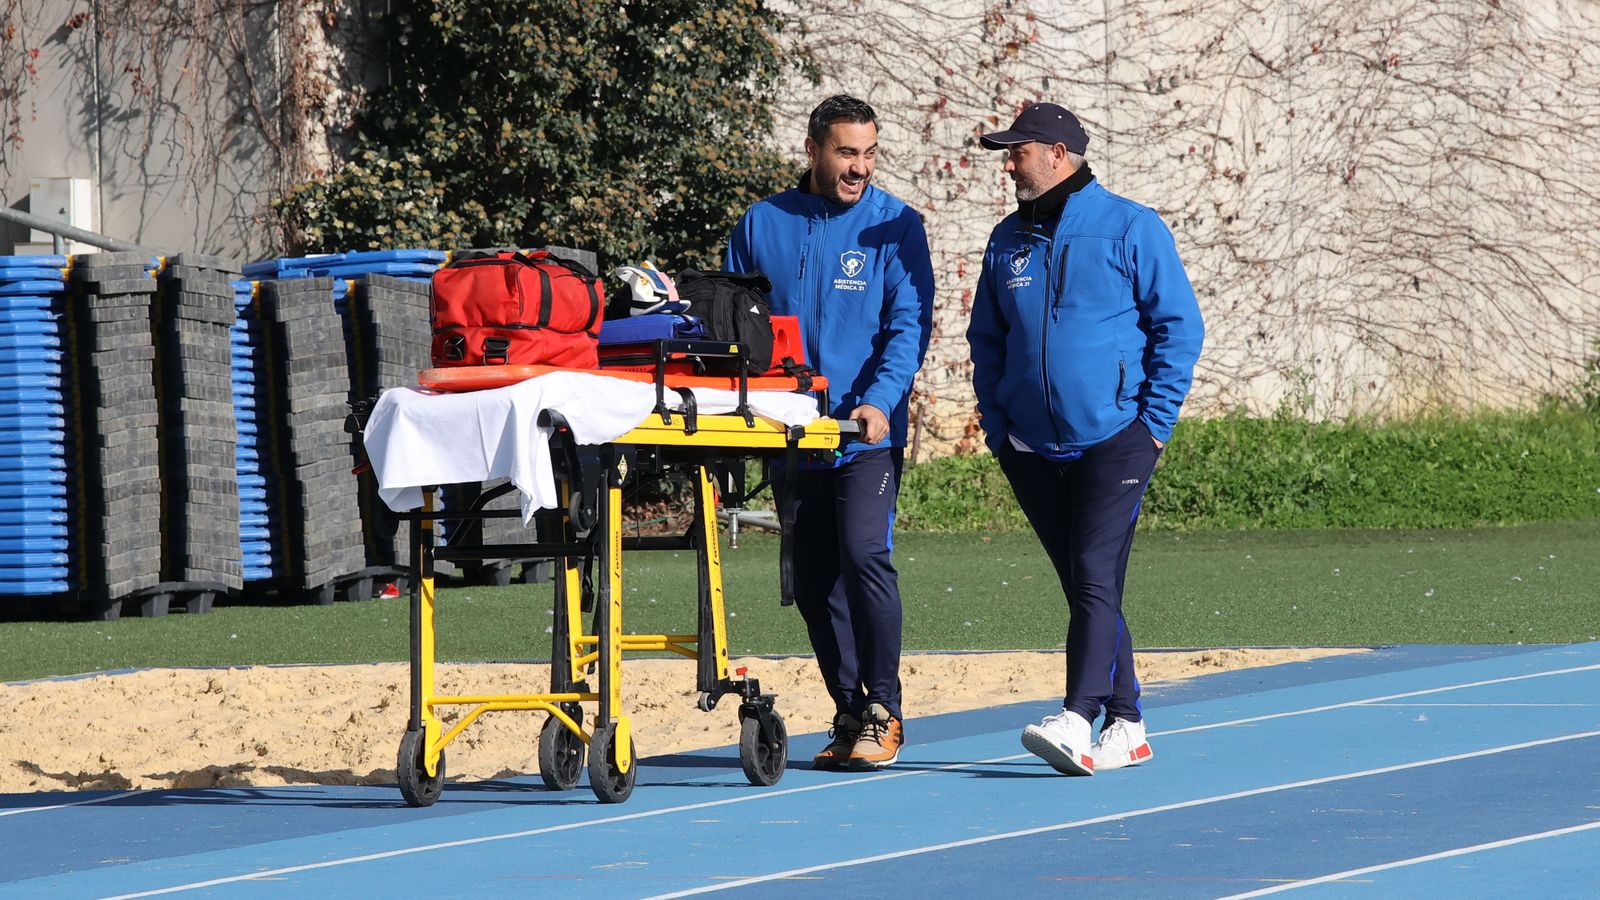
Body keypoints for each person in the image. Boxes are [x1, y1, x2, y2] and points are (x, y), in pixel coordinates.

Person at [967, 103, 1204, 775]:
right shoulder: (1006, 239)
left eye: (1018, 151)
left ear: (1059, 153)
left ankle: (1076, 717)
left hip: (1117, 438)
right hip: (1031, 445)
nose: (1008, 162)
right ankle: (1126, 722)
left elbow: (1179, 329)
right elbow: (987, 339)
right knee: (1085, 582)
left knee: (1095, 573)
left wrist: (1152, 425)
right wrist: (998, 426)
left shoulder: (1132, 227)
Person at [725, 94, 935, 769]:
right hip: (789, 434)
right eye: (848, 152)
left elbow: (909, 328)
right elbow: (730, 320)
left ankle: (885, 709)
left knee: (863, 553)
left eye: (870, 154)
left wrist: (879, 401)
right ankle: (849, 712)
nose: (860, 167)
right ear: (814, 148)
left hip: (862, 433)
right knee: (813, 582)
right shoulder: (764, 223)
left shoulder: (896, 225)